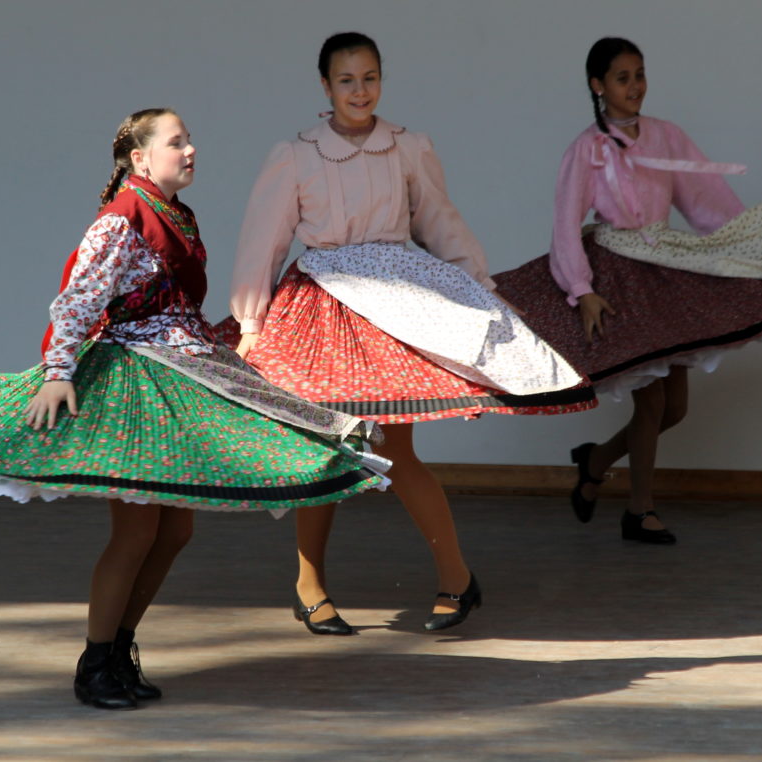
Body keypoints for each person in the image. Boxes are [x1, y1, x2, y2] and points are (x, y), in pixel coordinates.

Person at [0, 108, 388, 710]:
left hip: (180, 371)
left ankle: (119, 650)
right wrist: (58, 372)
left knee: (175, 530)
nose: (190, 149)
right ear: (140, 157)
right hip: (135, 378)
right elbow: (79, 298)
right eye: (177, 142)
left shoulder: (176, 214)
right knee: (134, 534)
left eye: (189, 139)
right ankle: (95, 663)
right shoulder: (123, 218)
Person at [218, 32, 597, 634]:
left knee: (398, 451)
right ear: (325, 86)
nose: (360, 90)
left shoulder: (406, 146)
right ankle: (309, 586)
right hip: (324, 308)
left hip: (396, 303)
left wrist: (480, 285)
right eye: (346, 80)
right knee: (325, 448)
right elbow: (263, 240)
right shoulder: (296, 155)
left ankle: (457, 577)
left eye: (369, 78)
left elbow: (439, 219)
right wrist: (251, 322)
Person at [494, 38, 762, 544]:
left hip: (665, 267)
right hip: (617, 276)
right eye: (623, 78)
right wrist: (582, 290)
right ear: (598, 85)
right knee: (652, 404)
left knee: (675, 409)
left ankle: (595, 461)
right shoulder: (586, 150)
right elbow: (565, 224)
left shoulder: (666, 136)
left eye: (639, 74)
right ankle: (640, 511)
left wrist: (750, 250)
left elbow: (706, 201)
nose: (635, 86)